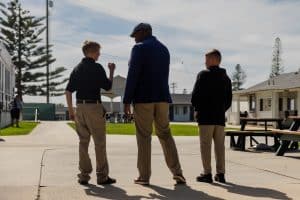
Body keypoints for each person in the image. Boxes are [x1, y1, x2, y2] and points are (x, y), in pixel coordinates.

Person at [123, 23, 186, 186]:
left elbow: (133, 74)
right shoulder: (164, 49)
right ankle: (177, 172)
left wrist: (126, 100)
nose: (134, 39)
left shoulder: (139, 48)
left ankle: (144, 176)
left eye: (135, 35)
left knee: (144, 137)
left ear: (143, 32)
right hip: (163, 98)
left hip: (144, 98)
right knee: (165, 134)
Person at [65, 40, 116, 185]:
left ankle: (83, 176)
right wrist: (112, 71)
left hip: (80, 107)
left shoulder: (77, 68)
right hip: (94, 107)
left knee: (83, 142)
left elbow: (68, 91)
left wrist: (71, 110)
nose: (99, 54)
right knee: (99, 143)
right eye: (98, 52)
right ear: (92, 52)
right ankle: (102, 176)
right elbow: (107, 86)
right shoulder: (97, 68)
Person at [191, 49, 232, 183]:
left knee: (205, 146)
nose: (205, 62)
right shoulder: (226, 78)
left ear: (215, 59)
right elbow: (228, 100)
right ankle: (221, 174)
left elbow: (195, 96)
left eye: (207, 59)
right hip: (219, 118)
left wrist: (197, 109)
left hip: (205, 117)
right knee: (220, 147)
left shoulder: (203, 75)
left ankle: (207, 173)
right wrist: (220, 109)